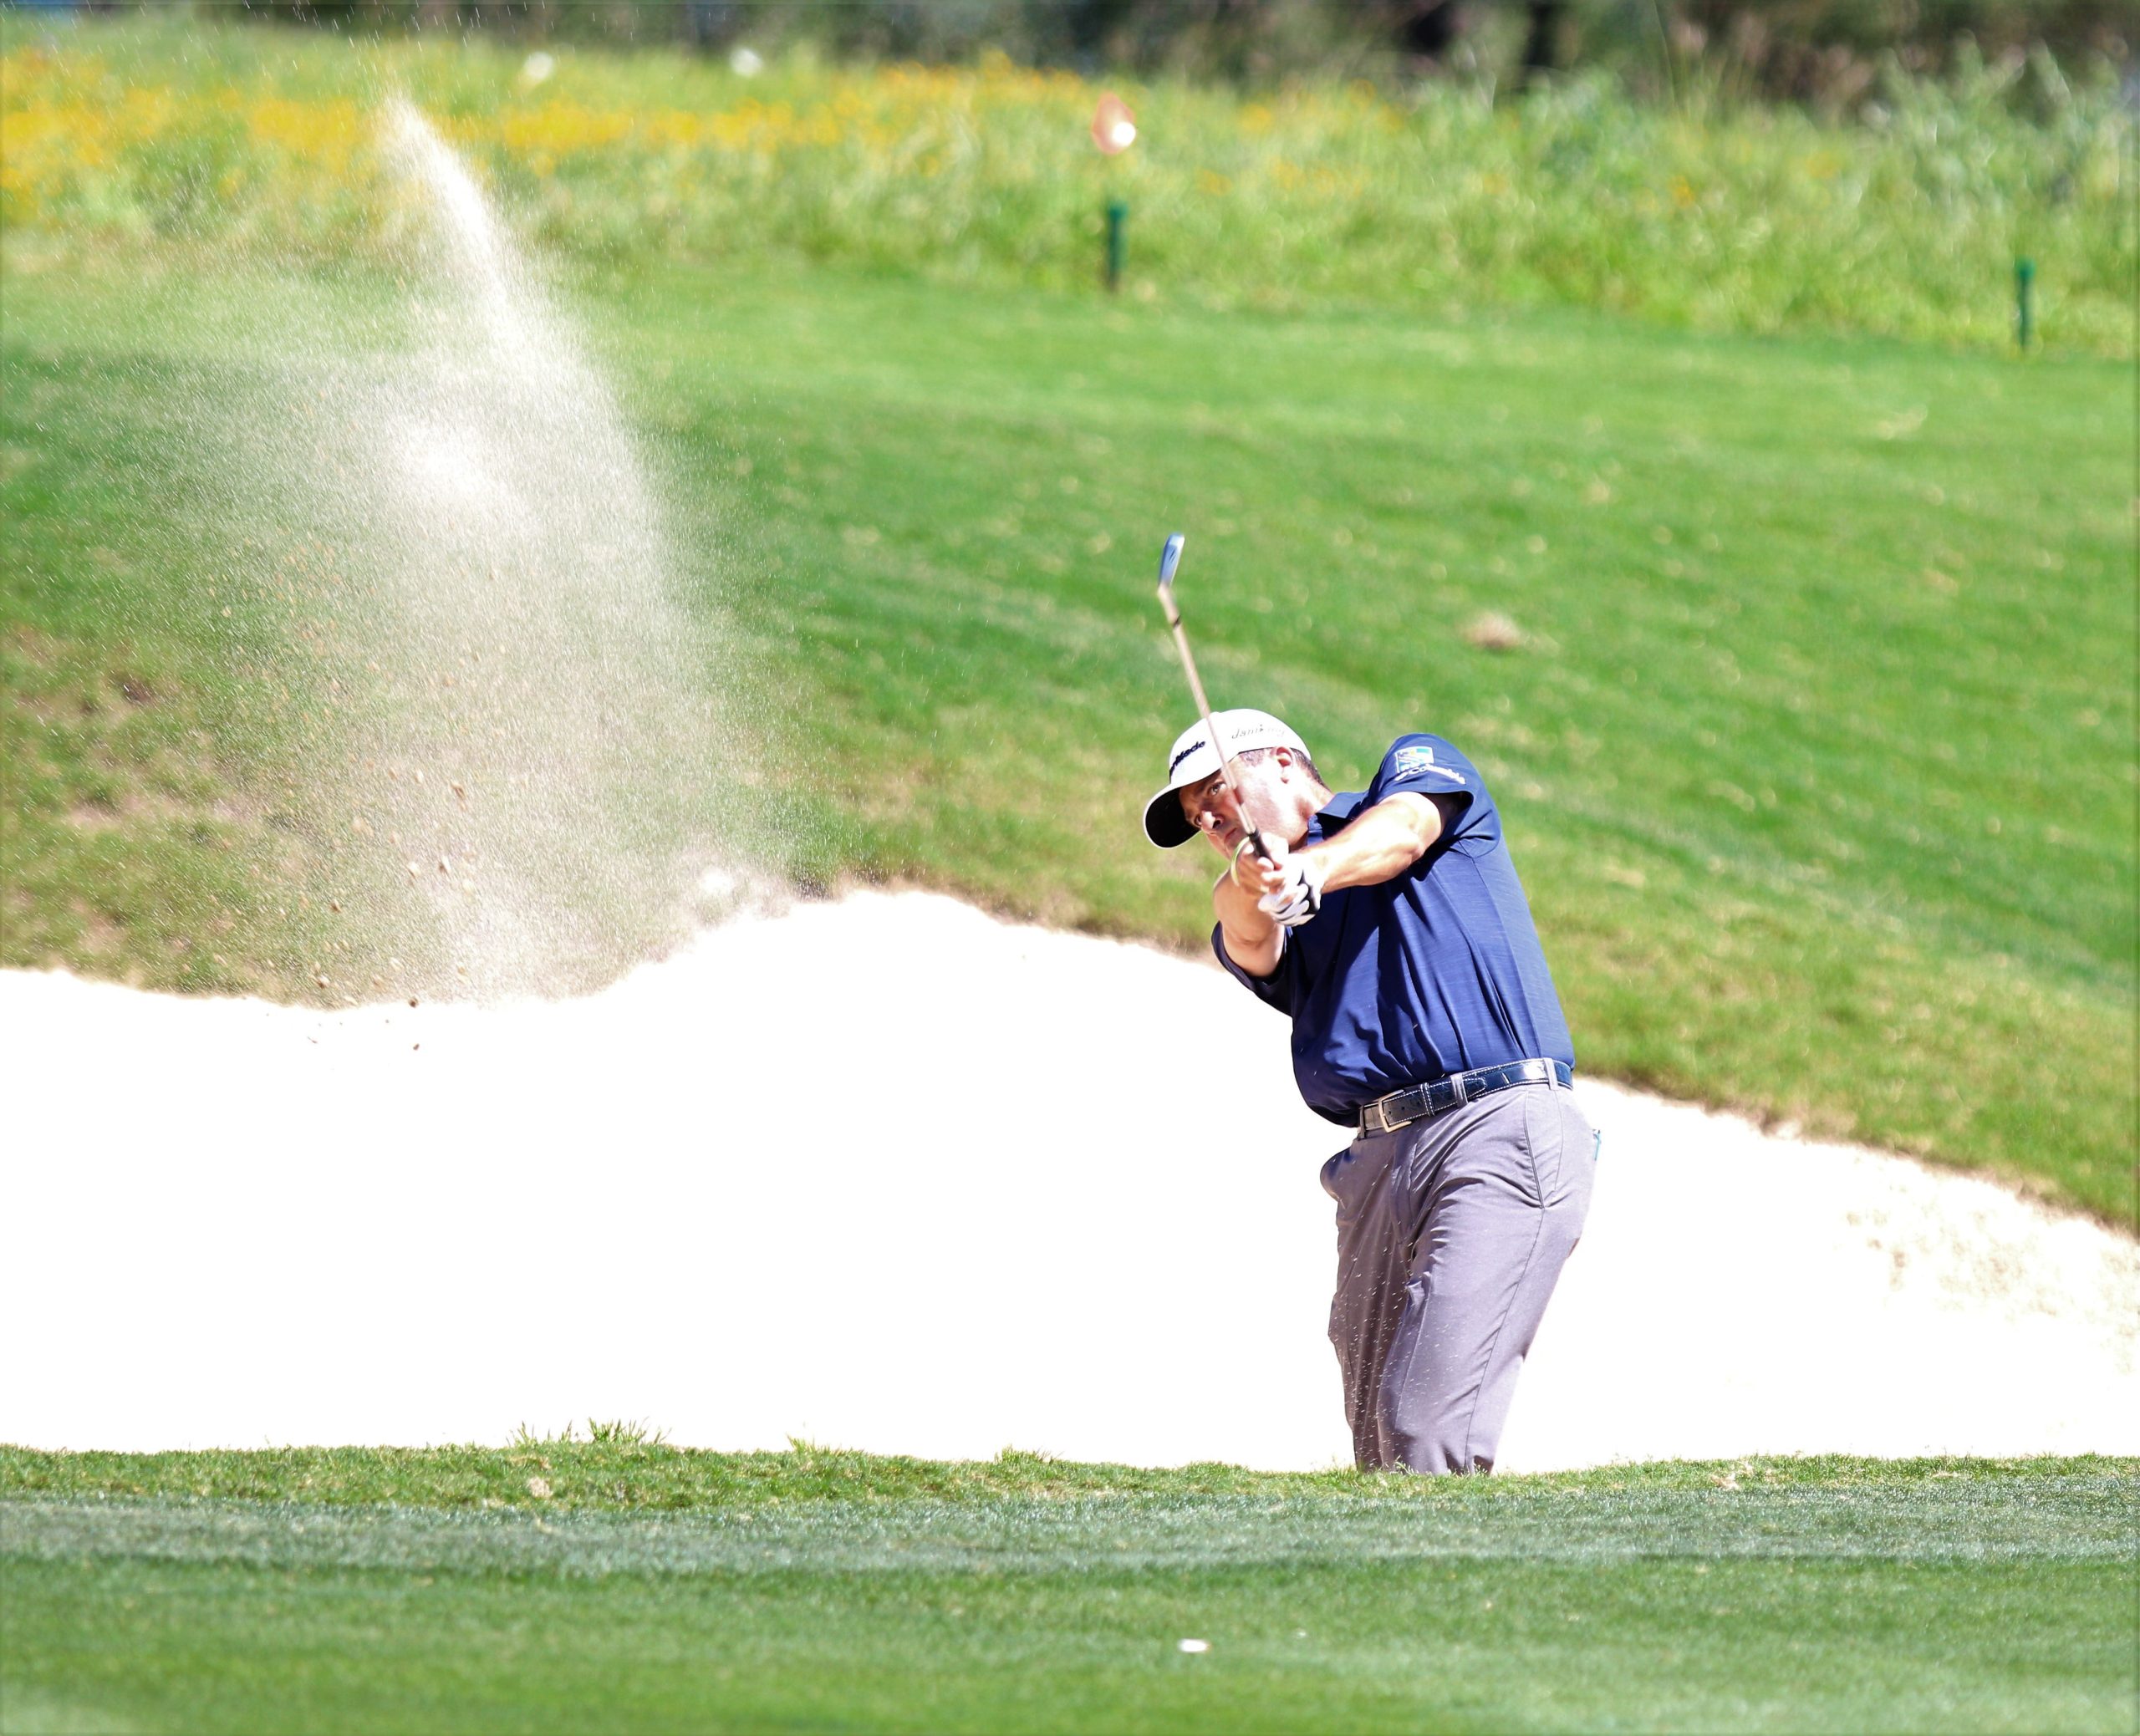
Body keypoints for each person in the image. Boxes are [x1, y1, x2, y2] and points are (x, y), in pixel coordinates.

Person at [1141, 708, 1595, 1474]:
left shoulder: (1413, 773)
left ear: (1283, 760)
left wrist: (1313, 868)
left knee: (1424, 1426)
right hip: (1374, 1166)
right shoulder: (1268, 898)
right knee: (1379, 1448)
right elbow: (1242, 928)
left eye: (1216, 789)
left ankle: (1462, 1593)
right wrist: (1261, 877)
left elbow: (1406, 830)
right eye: (1196, 817)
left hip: (1496, 1126)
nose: (1210, 817)